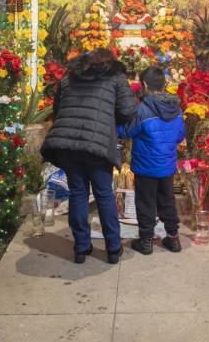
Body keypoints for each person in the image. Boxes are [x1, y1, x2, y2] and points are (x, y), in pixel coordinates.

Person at [41, 48, 137, 264]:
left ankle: (81, 248)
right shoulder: (115, 77)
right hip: (98, 145)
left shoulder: (68, 77)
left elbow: (57, 111)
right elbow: (129, 109)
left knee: (78, 192)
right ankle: (113, 248)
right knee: (104, 194)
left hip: (67, 144)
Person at [118, 65, 185, 255]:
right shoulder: (176, 110)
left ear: (144, 85)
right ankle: (173, 239)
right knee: (168, 202)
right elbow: (180, 136)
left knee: (146, 203)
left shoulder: (142, 110)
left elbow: (126, 131)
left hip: (146, 167)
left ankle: (146, 241)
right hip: (167, 166)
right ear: (164, 85)